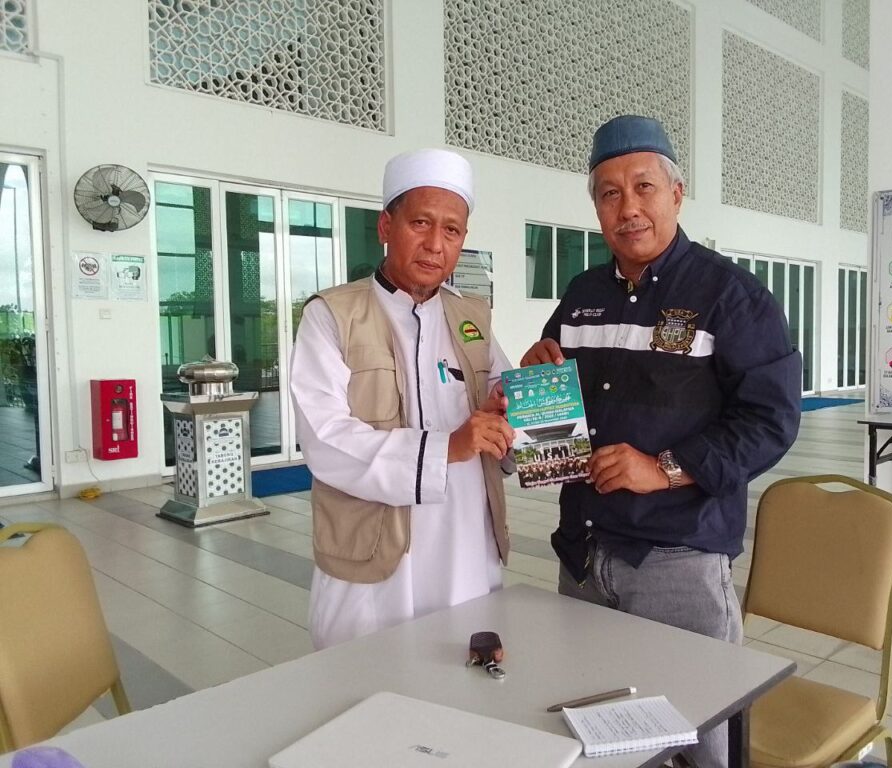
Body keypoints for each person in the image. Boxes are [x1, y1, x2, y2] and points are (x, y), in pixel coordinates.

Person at [521, 115, 802, 768]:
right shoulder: (582, 295)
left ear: (676, 194)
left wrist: (666, 468)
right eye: (609, 193)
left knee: (702, 740)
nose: (628, 207)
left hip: (678, 561)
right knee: (599, 733)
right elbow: (556, 415)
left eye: (643, 187)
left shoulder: (731, 297)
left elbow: (771, 419)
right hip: (584, 554)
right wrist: (539, 382)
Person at [291, 148, 515, 650]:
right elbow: (325, 438)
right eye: (421, 223)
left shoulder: (472, 317)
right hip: (375, 561)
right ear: (385, 227)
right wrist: (446, 448)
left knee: (464, 678)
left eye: (452, 230)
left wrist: (523, 397)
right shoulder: (332, 316)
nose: (436, 244)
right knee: (371, 681)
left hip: (466, 549)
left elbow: (505, 406)